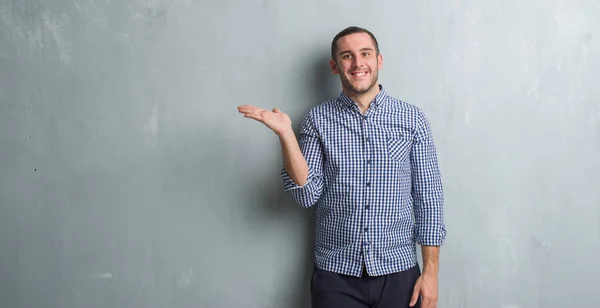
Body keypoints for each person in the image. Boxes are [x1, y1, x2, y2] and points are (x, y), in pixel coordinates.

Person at [237, 26, 446, 308]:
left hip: (399, 271)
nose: (358, 63)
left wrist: (431, 273)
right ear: (335, 66)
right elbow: (306, 194)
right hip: (336, 275)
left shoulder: (412, 119)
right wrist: (286, 135)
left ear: (379, 60)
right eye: (347, 56)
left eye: (365, 54)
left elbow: (429, 197)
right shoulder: (317, 119)